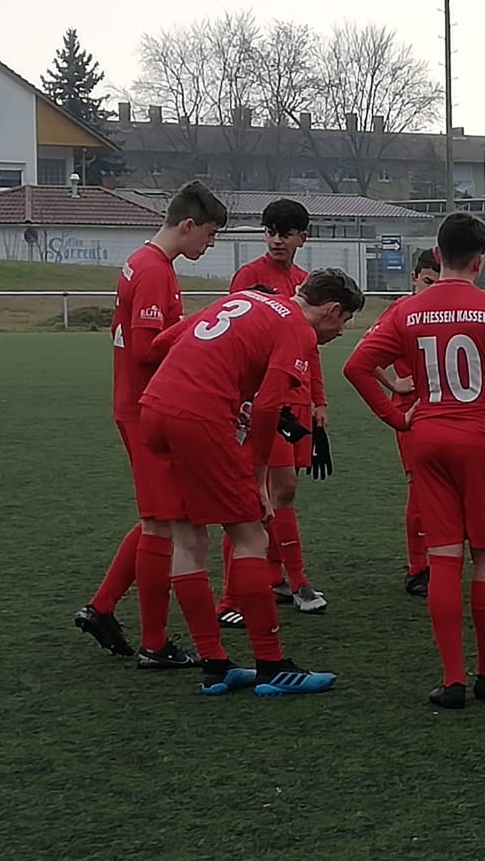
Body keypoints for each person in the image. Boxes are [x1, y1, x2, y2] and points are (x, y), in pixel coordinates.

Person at [344, 213, 485, 709]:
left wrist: (396, 418)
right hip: (482, 437)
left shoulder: (406, 309)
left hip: (428, 436)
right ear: (481, 263)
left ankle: (452, 680)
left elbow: (357, 365)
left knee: (443, 557)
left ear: (437, 255)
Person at [139, 269, 365, 696]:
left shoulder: (245, 299)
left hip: (155, 407)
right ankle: (271, 664)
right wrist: (258, 478)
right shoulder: (296, 327)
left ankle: (216, 665)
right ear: (333, 310)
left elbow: (162, 343)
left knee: (188, 538)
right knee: (250, 535)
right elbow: (268, 408)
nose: (340, 332)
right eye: (345, 321)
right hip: (200, 417)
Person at [75, 180, 227, 670]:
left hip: (136, 404)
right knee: (162, 524)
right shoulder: (155, 270)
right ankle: (154, 643)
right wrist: (195, 331)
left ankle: (102, 608)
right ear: (188, 225)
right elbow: (146, 349)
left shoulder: (144, 262)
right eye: (209, 234)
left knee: (158, 518)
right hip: (146, 409)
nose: (210, 244)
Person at [216, 198, 331, 627]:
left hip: (294, 399)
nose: (277, 239)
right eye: (270, 231)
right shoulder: (249, 277)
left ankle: (275, 577)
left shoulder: (305, 283)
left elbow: (310, 348)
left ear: (303, 238)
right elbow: (236, 337)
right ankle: (282, 584)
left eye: (286, 232)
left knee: (281, 493)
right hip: (263, 400)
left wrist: (319, 400)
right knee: (260, 494)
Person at [370, 250, 441, 597]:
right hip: (413, 409)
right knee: (420, 485)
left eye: (438, 282)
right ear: (414, 278)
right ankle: (418, 568)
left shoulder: (448, 312)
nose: (432, 289)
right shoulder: (401, 310)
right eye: (427, 281)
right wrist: (394, 383)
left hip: (448, 407)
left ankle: (444, 559)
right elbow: (366, 354)